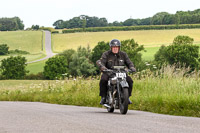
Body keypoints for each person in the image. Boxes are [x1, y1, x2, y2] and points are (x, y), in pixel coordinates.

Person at [96, 39, 136, 105]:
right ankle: (103, 97)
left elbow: (129, 62)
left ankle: (127, 97)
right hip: (109, 73)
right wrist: (103, 68)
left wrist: (132, 67)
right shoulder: (106, 54)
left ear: (119, 47)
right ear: (111, 47)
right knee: (103, 80)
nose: (115, 48)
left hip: (121, 73)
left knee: (129, 80)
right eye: (113, 47)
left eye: (116, 47)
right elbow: (102, 63)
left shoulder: (123, 54)